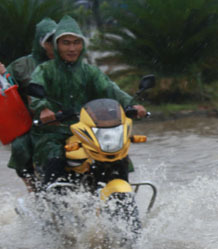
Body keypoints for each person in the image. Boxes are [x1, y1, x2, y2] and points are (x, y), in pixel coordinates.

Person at [28, 15, 146, 188]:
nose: (72, 48)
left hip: (89, 131)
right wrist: (44, 109)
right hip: (54, 131)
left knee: (119, 157)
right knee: (54, 158)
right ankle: (50, 203)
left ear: (82, 45)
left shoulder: (90, 71)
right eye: (66, 43)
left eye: (76, 42)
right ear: (56, 45)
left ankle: (122, 197)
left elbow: (110, 89)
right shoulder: (44, 70)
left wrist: (131, 104)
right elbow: (36, 90)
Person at [5, 17, 57, 191]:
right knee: (21, 147)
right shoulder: (20, 66)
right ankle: (34, 190)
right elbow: (6, 88)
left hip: (68, 118)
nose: (54, 46)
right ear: (40, 42)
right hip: (33, 123)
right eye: (49, 41)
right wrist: (2, 76)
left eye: (57, 41)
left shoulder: (71, 64)